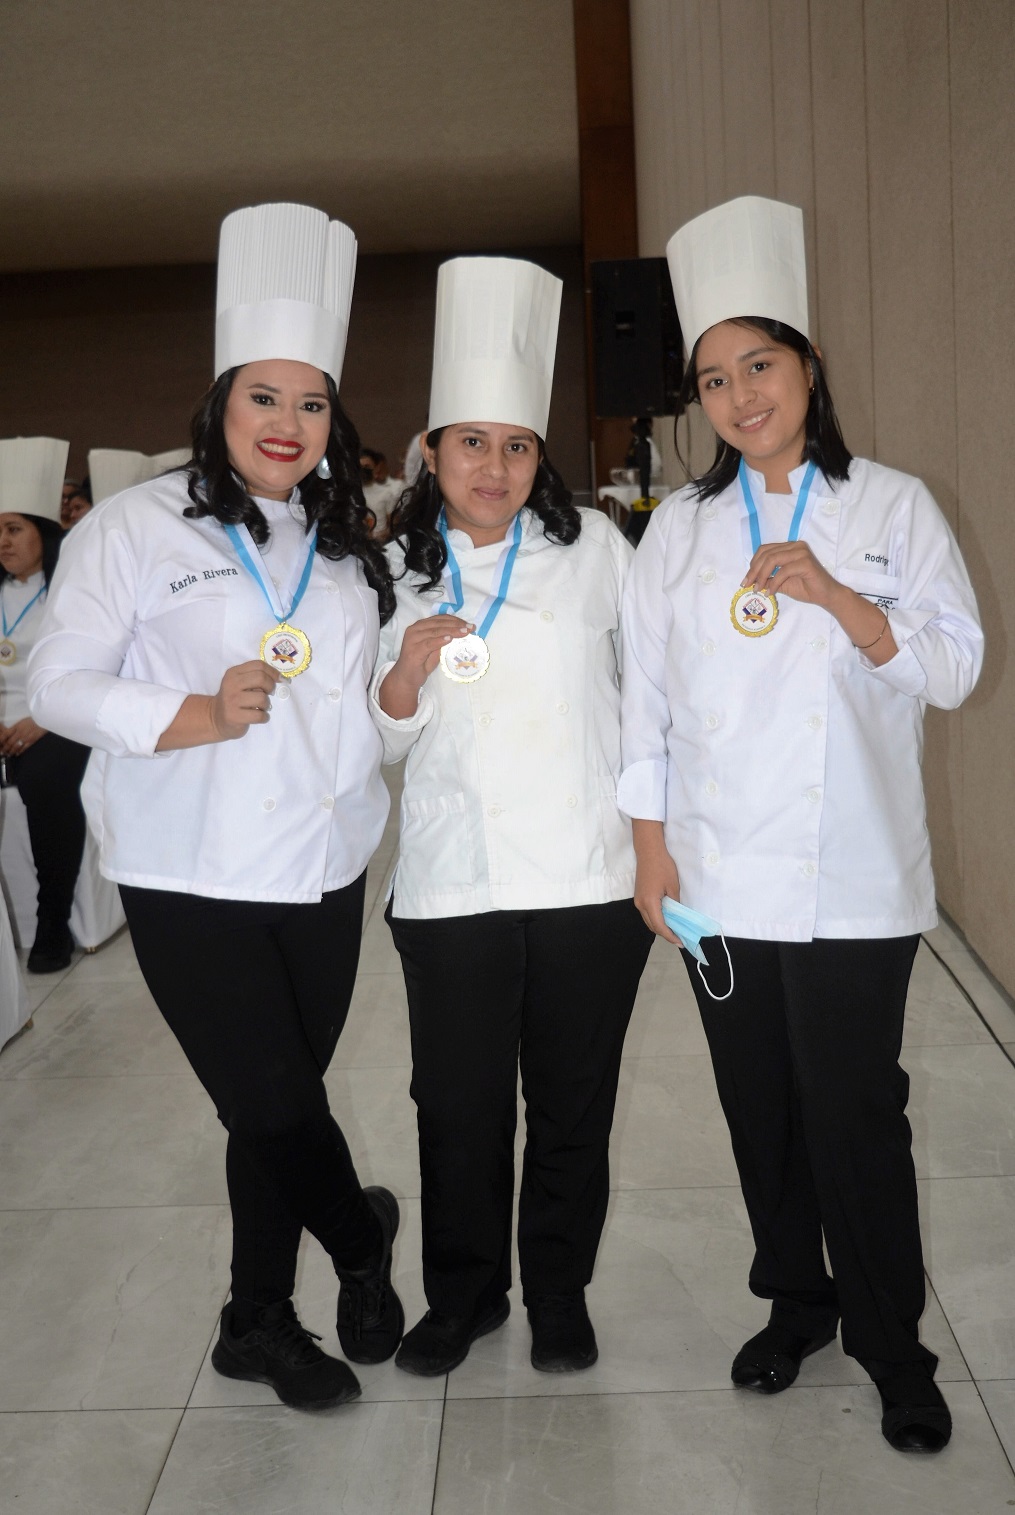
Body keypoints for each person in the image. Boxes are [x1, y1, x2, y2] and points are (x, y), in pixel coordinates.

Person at [619, 196, 983, 1453]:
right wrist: (650, 853)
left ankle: (894, 1344)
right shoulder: (675, 531)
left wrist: (841, 601)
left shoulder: (890, 508)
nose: (737, 396)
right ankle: (798, 1303)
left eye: (757, 365)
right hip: (715, 875)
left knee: (853, 1112)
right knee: (756, 1106)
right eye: (713, 379)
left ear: (805, 365)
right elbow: (647, 705)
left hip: (852, 875)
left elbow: (954, 667)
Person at [28, 202, 405, 1410]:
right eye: (263, 398)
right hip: (187, 866)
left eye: (310, 404)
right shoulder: (137, 527)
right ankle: (358, 1242)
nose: (287, 426)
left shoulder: (349, 549)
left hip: (325, 862)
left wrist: (406, 699)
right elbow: (57, 681)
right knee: (277, 1098)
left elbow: (363, 704)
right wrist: (188, 712)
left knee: (265, 1114)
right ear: (219, 404)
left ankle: (255, 1320)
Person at [371, 256, 653, 1377]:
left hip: (588, 880)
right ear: (431, 451)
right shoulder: (388, 569)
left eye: (517, 445)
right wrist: (400, 677)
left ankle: (559, 1293)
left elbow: (658, 697)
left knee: (573, 1105)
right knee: (458, 1108)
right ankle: (462, 1296)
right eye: (471, 442)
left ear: (540, 459)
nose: (494, 466)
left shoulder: (596, 552)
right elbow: (375, 738)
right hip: (453, 884)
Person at [0, 436, 90, 973]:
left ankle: (51, 923)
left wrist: (40, 720)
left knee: (46, 780)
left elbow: (86, 670)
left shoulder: (70, 592)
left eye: (14, 530)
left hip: (55, 720)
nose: (3, 543)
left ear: (44, 533)